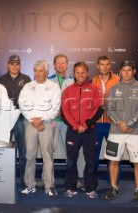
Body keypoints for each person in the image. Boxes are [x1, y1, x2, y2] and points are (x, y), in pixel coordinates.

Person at [103, 60, 138, 205]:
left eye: (129, 70)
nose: (126, 73)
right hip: (116, 132)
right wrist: (120, 123)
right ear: (120, 72)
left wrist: (129, 123)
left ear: (134, 71)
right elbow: (110, 110)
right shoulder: (113, 88)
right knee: (113, 160)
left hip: (135, 131)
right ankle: (114, 187)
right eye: (124, 70)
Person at [18, 60, 61, 197]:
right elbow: (22, 104)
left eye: (40, 70)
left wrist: (41, 119)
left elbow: (55, 108)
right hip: (30, 124)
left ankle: (49, 185)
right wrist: (33, 120)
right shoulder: (28, 86)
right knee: (29, 155)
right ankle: (30, 185)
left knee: (47, 156)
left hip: (47, 124)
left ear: (47, 72)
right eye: (35, 70)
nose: (37, 73)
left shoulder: (54, 87)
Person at [62, 62, 103, 199]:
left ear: (87, 73)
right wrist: (75, 126)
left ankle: (91, 188)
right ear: (74, 74)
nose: (80, 75)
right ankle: (70, 187)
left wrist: (85, 125)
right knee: (71, 161)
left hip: (89, 131)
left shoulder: (94, 89)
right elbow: (65, 112)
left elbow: (99, 110)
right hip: (73, 131)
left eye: (83, 72)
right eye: (77, 73)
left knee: (91, 161)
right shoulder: (68, 90)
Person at [44, 54, 85, 189]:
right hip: (52, 121)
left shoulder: (75, 81)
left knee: (72, 152)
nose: (60, 65)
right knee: (49, 150)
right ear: (54, 65)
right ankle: (47, 180)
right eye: (58, 63)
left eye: (63, 63)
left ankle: (73, 180)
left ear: (67, 64)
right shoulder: (48, 81)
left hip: (69, 123)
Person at [0, 55, 31, 191]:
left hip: (20, 117)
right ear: (8, 65)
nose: (14, 66)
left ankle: (24, 181)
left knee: (22, 151)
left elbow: (29, 98)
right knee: (5, 150)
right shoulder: (1, 80)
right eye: (12, 64)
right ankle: (4, 180)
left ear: (20, 65)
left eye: (17, 64)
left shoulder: (26, 79)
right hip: (5, 117)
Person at [91, 55, 120, 179]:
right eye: (102, 64)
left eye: (107, 64)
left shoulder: (118, 80)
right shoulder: (93, 80)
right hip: (96, 123)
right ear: (98, 66)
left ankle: (113, 182)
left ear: (110, 65)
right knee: (93, 154)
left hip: (112, 124)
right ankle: (92, 181)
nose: (105, 67)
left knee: (113, 153)